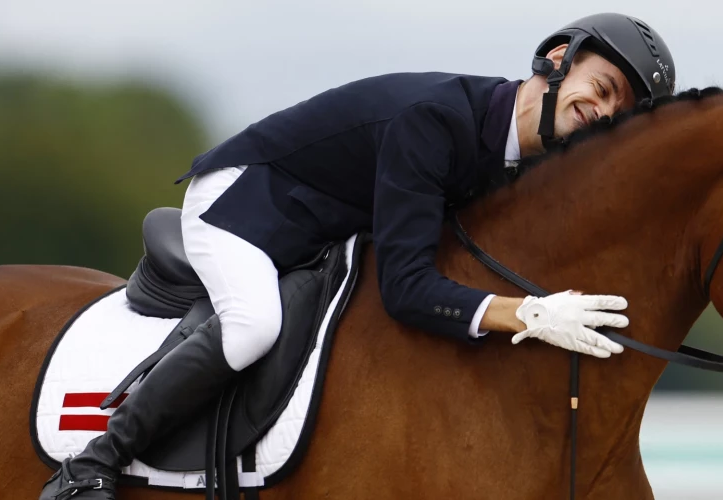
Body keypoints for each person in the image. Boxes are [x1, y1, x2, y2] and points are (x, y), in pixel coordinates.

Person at [39, 13, 677, 499]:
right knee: (253, 324)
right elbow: (406, 288)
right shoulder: (438, 123)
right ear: (559, 60)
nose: (607, 110)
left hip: (324, 227)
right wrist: (528, 315)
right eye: (604, 86)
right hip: (244, 205)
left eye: (623, 108)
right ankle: (91, 464)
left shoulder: (515, 161)